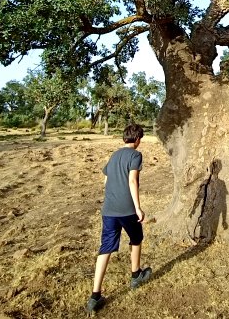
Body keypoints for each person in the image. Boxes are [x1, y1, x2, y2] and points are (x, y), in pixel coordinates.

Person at [87, 123, 152, 314]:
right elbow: (132, 180)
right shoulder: (135, 155)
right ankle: (135, 275)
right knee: (136, 239)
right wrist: (138, 208)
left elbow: (105, 180)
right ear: (138, 139)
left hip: (109, 210)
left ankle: (95, 296)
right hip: (127, 209)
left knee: (105, 248)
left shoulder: (114, 155)